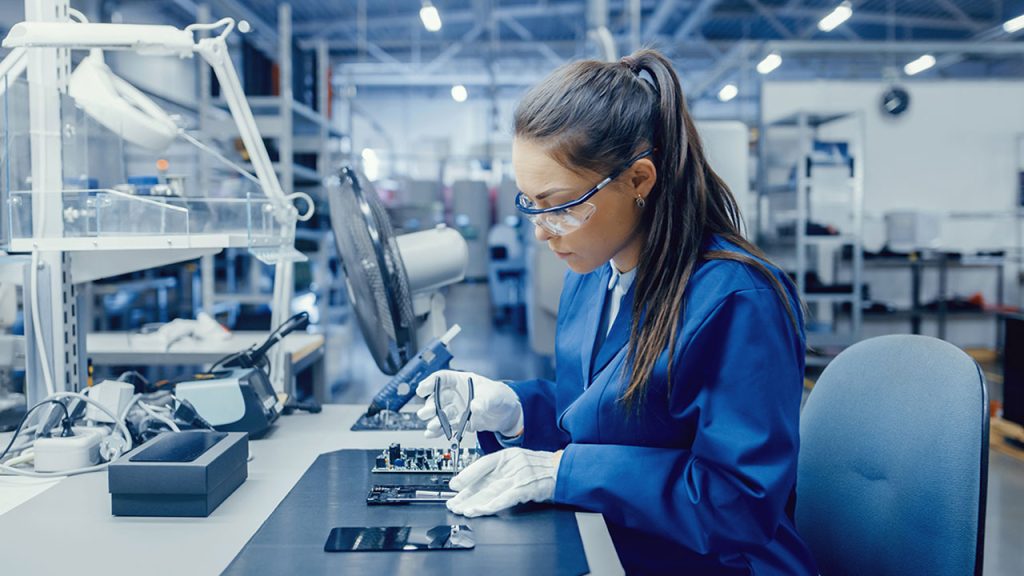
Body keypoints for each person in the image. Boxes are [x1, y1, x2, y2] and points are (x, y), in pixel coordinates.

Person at [416, 49, 817, 575]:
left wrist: (562, 474)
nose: (541, 230)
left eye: (558, 204)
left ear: (639, 180)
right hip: (617, 544)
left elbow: (736, 502)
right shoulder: (592, 277)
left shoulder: (737, 301)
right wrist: (513, 409)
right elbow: (598, 421)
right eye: (528, 201)